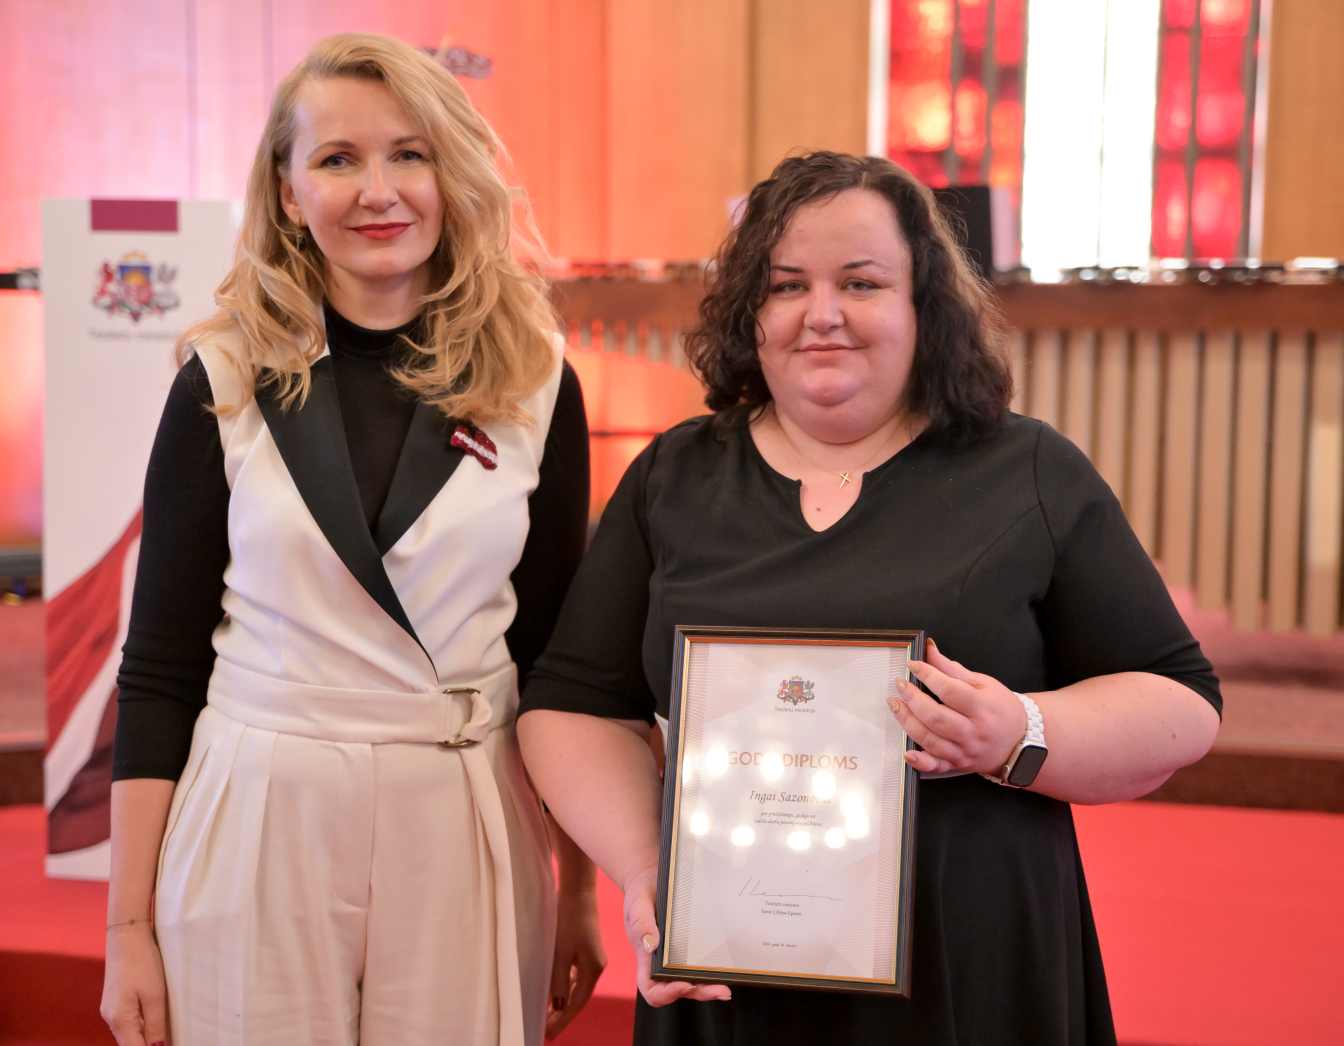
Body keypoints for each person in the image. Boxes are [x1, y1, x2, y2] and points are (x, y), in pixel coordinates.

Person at [517, 152, 1221, 1045]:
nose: (822, 314)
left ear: (923, 305)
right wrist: (653, 870)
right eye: (786, 285)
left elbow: (1180, 703)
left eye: (861, 282)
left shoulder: (1028, 472)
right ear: (750, 313)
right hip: (729, 969)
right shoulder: (675, 477)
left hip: (968, 960)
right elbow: (573, 704)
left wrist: (1019, 733)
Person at [100, 33, 605, 1046]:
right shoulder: (222, 379)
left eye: (409, 154)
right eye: (337, 159)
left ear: (451, 175)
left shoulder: (537, 379)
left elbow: (561, 666)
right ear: (288, 193)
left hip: (461, 803)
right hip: (260, 804)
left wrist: (579, 890)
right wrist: (126, 928)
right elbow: (159, 669)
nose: (379, 191)